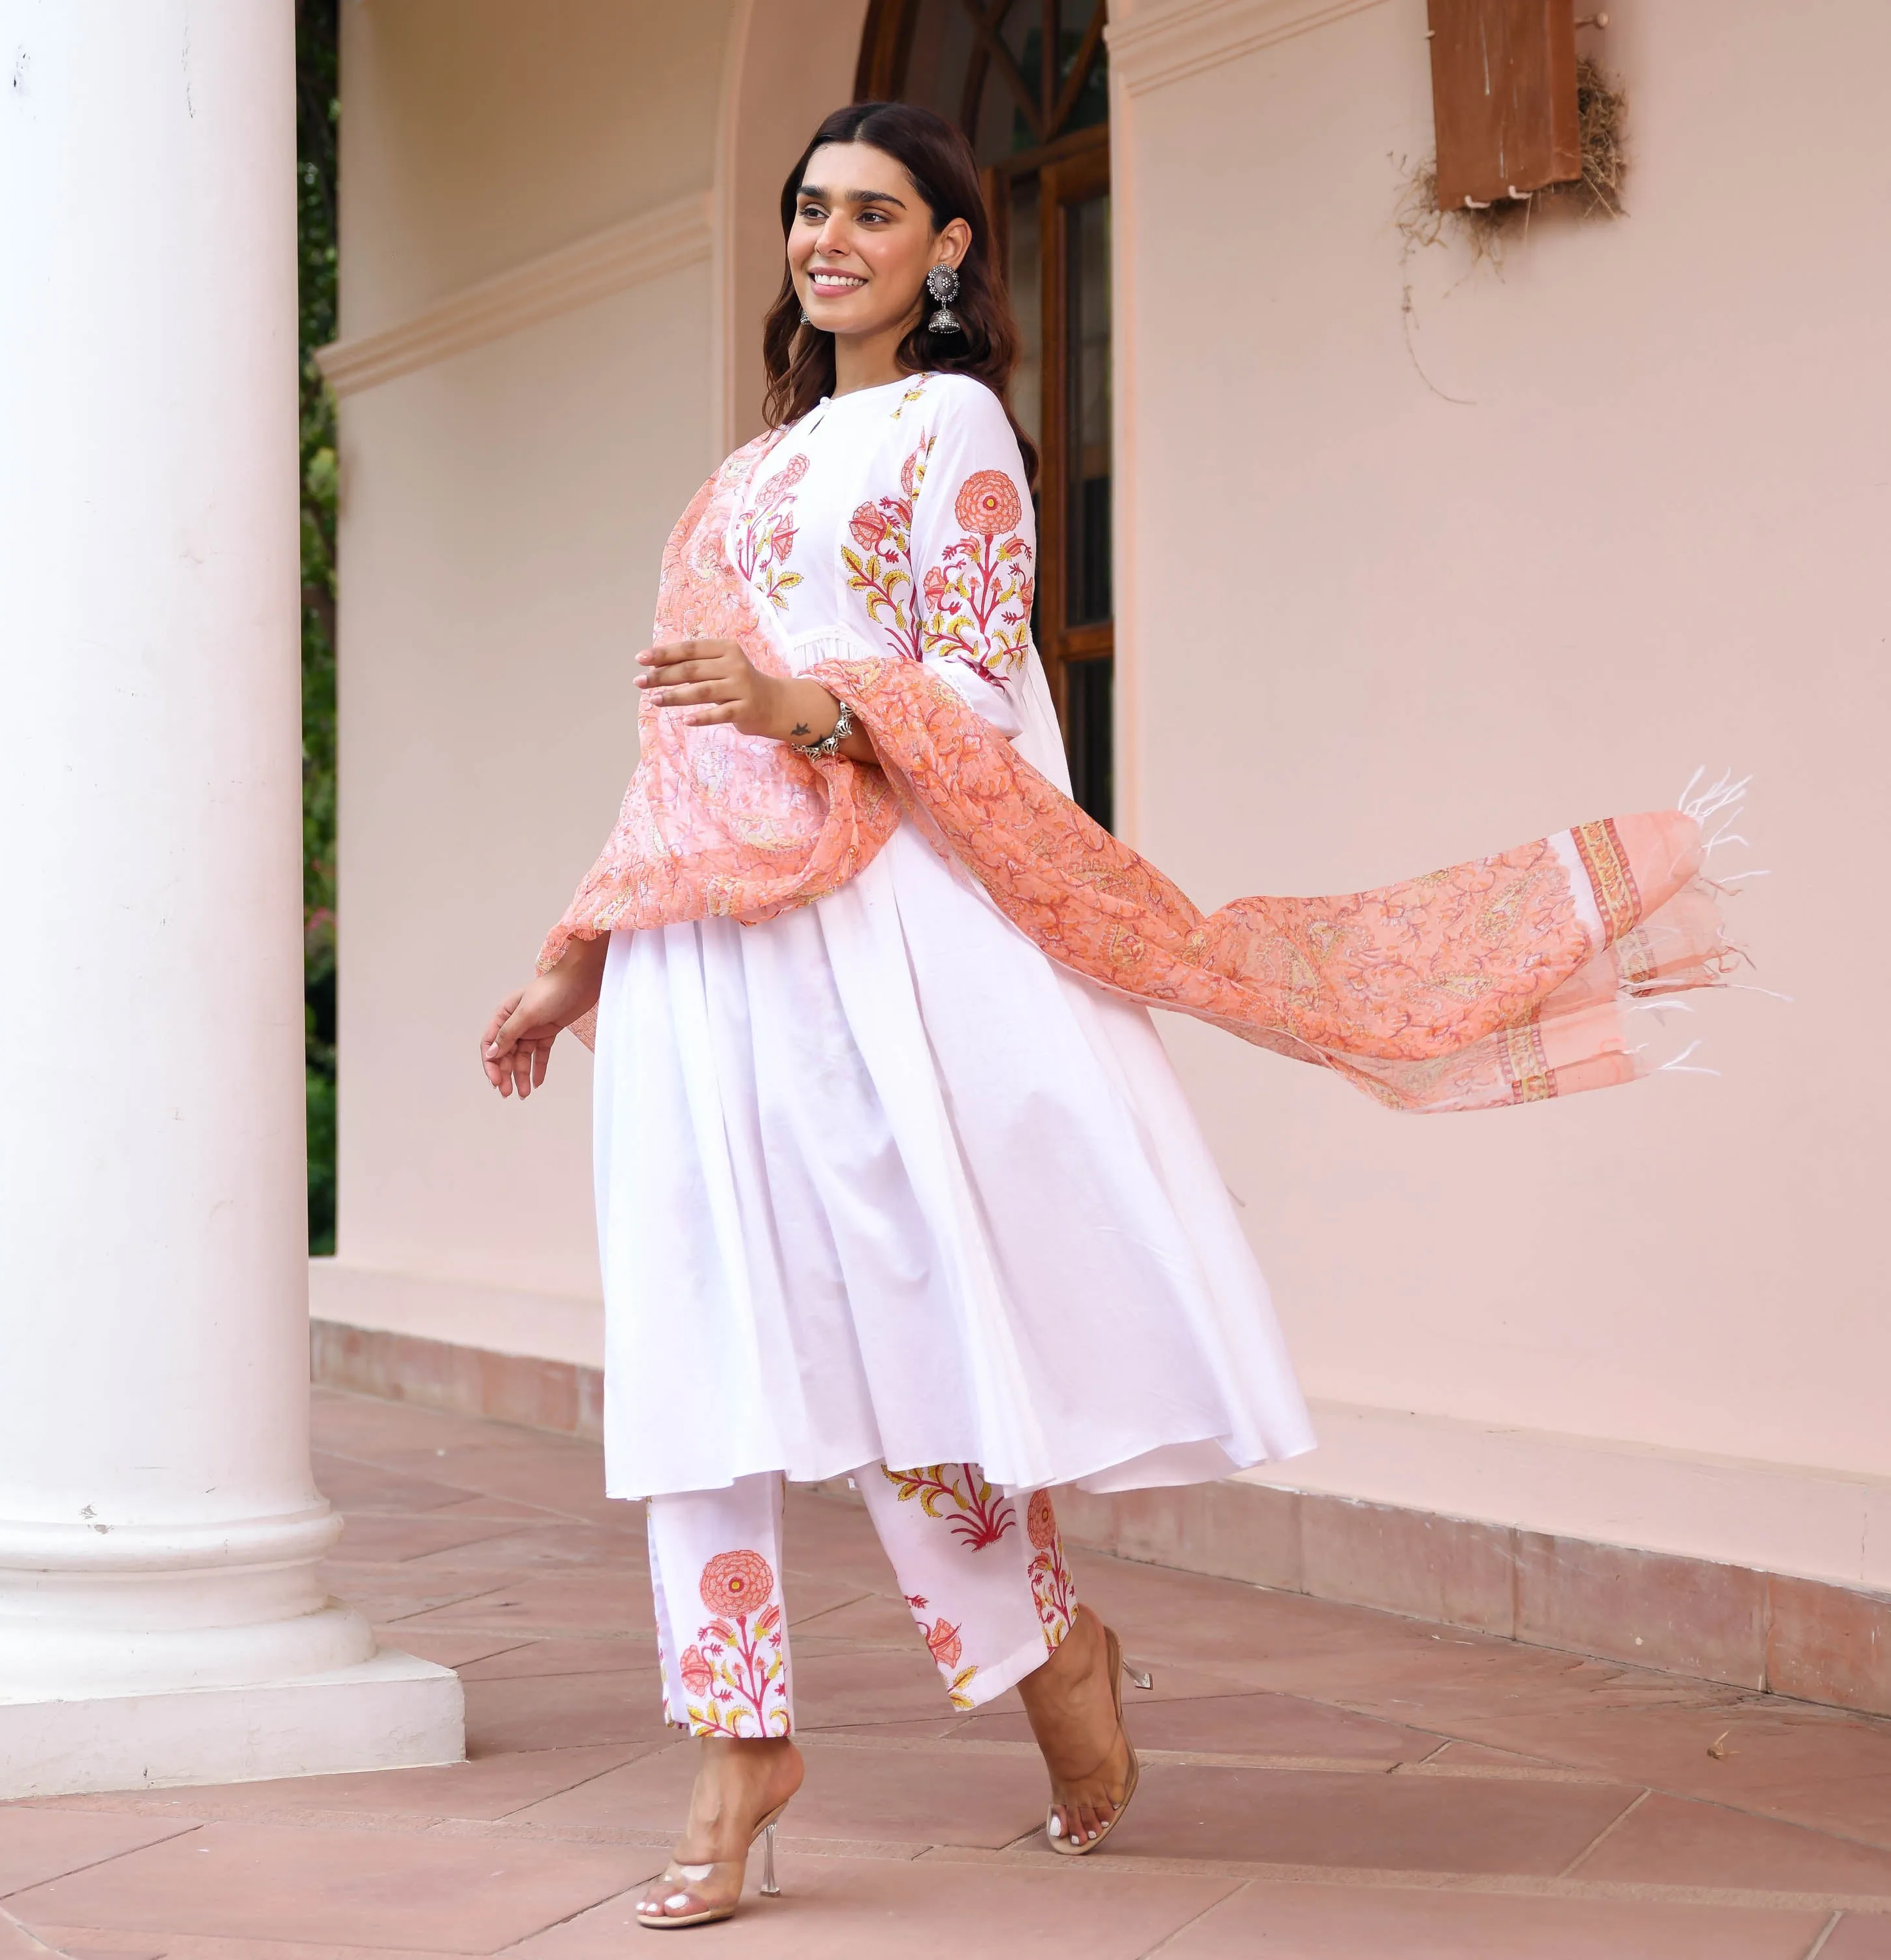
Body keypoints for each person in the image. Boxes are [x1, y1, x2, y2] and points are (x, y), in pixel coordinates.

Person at [480, 102, 1736, 1931]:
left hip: (865, 931)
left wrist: (797, 701)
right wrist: (572, 954)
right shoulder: (743, 473)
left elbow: (976, 705)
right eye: (810, 209)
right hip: (694, 955)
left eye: (875, 213)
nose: (831, 239)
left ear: (951, 248)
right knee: (699, 1331)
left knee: (902, 1327)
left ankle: (1047, 1650)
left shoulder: (955, 425)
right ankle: (736, 1734)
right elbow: (674, 748)